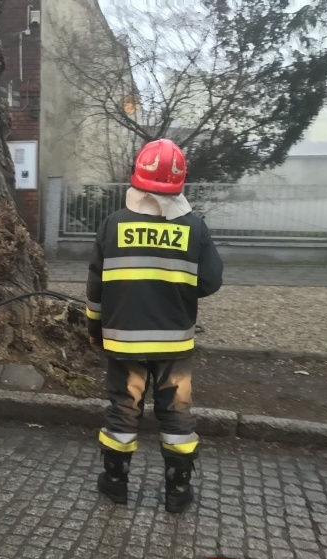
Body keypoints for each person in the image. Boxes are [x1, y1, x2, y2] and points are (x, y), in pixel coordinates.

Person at [85, 139, 223, 513]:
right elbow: (211, 282)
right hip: (174, 345)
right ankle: (177, 491)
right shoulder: (195, 228)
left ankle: (115, 484)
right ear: (179, 183)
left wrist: (95, 332)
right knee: (176, 413)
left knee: (122, 409)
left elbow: (96, 289)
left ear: (138, 177)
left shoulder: (113, 224)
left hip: (123, 343)